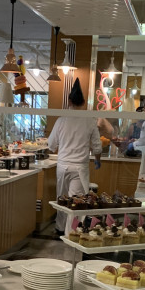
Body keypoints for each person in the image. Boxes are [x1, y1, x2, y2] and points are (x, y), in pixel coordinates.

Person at [47, 79, 102, 235]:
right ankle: (71, 233)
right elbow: (97, 146)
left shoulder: (61, 120)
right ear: (84, 102)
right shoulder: (90, 120)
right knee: (76, 203)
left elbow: (51, 145)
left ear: (69, 101)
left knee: (62, 199)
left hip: (62, 166)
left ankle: (60, 229)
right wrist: (97, 160)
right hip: (79, 168)